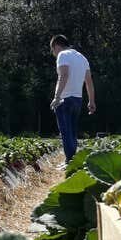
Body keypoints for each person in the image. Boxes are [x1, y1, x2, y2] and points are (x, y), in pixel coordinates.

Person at [49, 35, 96, 167]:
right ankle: (73, 160)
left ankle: (70, 162)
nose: (54, 53)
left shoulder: (63, 55)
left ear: (56, 46)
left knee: (65, 131)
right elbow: (89, 81)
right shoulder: (82, 58)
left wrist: (57, 96)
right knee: (73, 131)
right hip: (78, 99)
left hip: (64, 99)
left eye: (53, 50)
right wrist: (91, 101)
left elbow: (64, 75)